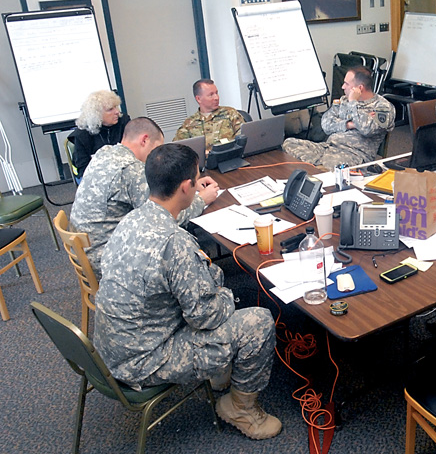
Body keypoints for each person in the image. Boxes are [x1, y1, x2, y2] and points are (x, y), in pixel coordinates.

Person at [94, 143, 281, 440]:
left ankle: (219, 373)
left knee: (200, 293)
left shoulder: (130, 220)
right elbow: (206, 316)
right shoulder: (174, 242)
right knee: (257, 320)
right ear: (185, 188)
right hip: (142, 362)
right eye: (196, 179)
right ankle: (241, 409)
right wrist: (223, 291)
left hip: (108, 351)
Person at [70, 117, 219, 277]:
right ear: (145, 140)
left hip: (85, 250)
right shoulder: (131, 170)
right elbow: (167, 217)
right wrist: (201, 200)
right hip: (108, 260)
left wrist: (191, 185)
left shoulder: (105, 152)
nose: (157, 157)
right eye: (156, 149)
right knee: (181, 253)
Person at [282, 66, 394, 168]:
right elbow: (326, 124)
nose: (342, 86)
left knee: (329, 163)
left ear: (359, 88)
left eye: (347, 84)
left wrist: (353, 102)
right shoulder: (343, 100)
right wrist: (350, 124)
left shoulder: (383, 107)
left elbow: (367, 130)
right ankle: (320, 168)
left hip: (354, 155)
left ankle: (319, 168)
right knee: (289, 143)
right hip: (329, 147)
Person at [70, 90, 130, 181]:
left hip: (123, 171)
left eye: (116, 107)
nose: (117, 112)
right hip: (96, 177)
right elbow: (83, 169)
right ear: (97, 114)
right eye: (110, 109)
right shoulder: (82, 135)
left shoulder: (124, 122)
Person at [173, 79, 245, 151]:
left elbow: (244, 138)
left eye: (216, 93)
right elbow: (177, 149)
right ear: (198, 99)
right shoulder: (189, 124)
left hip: (231, 157)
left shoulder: (230, 113)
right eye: (211, 95)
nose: (216, 98)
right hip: (205, 161)